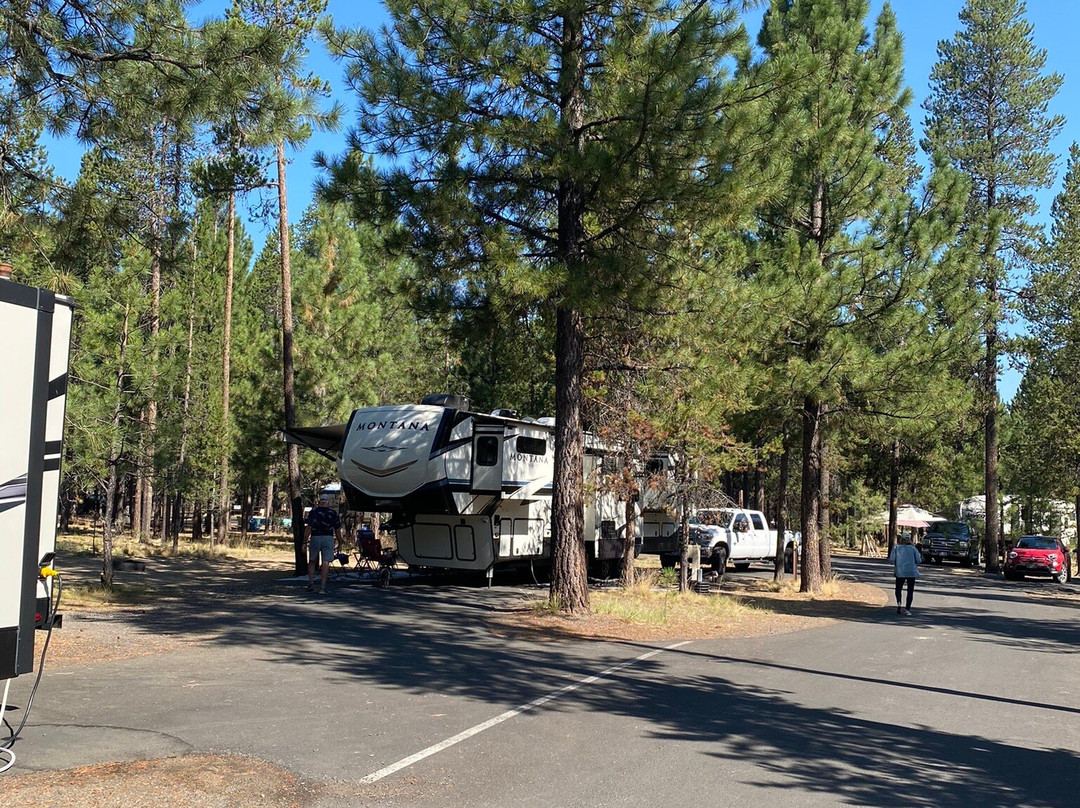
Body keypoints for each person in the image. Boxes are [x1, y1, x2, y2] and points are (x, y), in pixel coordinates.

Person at [304, 492, 342, 594]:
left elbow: (308, 528)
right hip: (328, 538)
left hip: (315, 537)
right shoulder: (332, 513)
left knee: (312, 560)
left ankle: (311, 583)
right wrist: (340, 542)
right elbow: (337, 529)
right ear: (328, 502)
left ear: (319, 502)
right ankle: (322, 587)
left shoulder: (313, 512)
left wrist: (304, 541)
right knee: (326, 561)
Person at [888, 534, 923, 616]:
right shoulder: (913, 548)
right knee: (910, 590)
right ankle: (907, 609)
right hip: (911, 572)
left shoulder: (896, 548)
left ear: (901, 539)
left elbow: (892, 560)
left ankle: (899, 604)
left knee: (898, 589)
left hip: (900, 572)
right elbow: (919, 560)